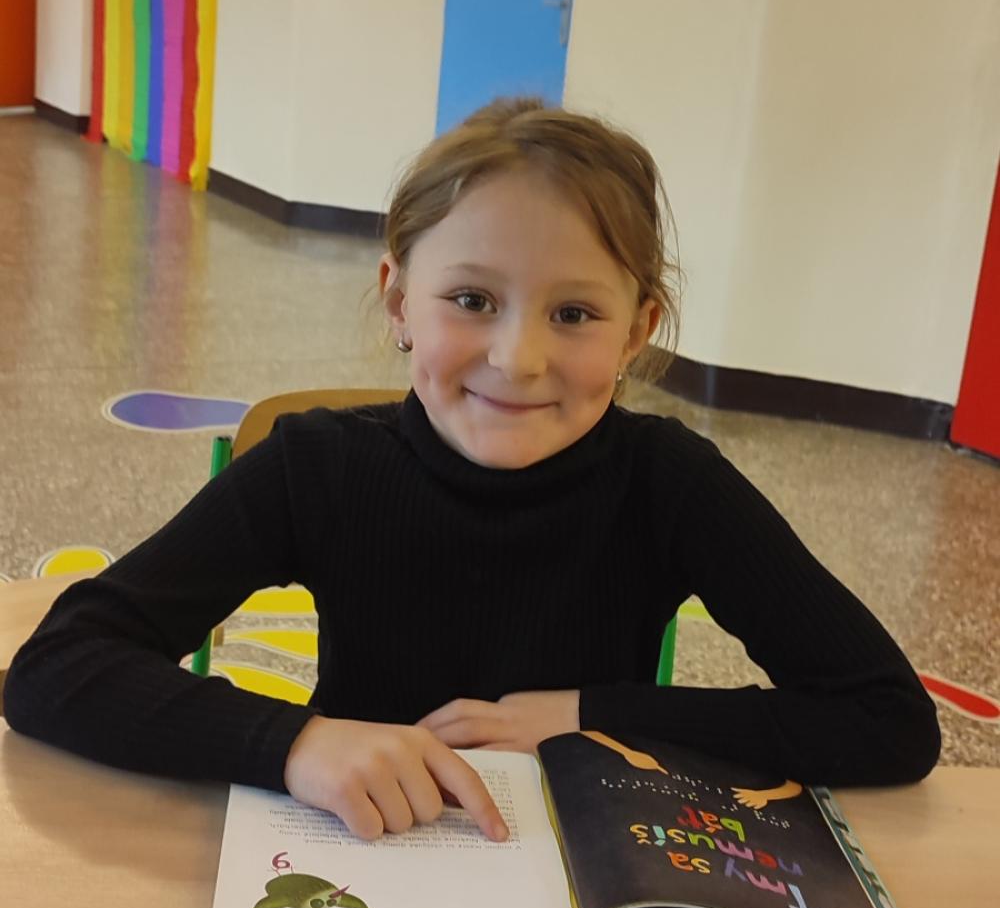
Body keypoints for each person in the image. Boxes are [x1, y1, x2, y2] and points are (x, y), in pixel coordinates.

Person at [3, 96, 940, 843]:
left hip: (583, 901)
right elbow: (56, 667)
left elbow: (887, 717)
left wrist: (591, 717)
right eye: (472, 299)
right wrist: (293, 742)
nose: (518, 359)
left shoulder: (671, 483)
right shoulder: (317, 467)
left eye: (574, 314)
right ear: (399, 301)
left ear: (636, 331)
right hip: (359, 856)